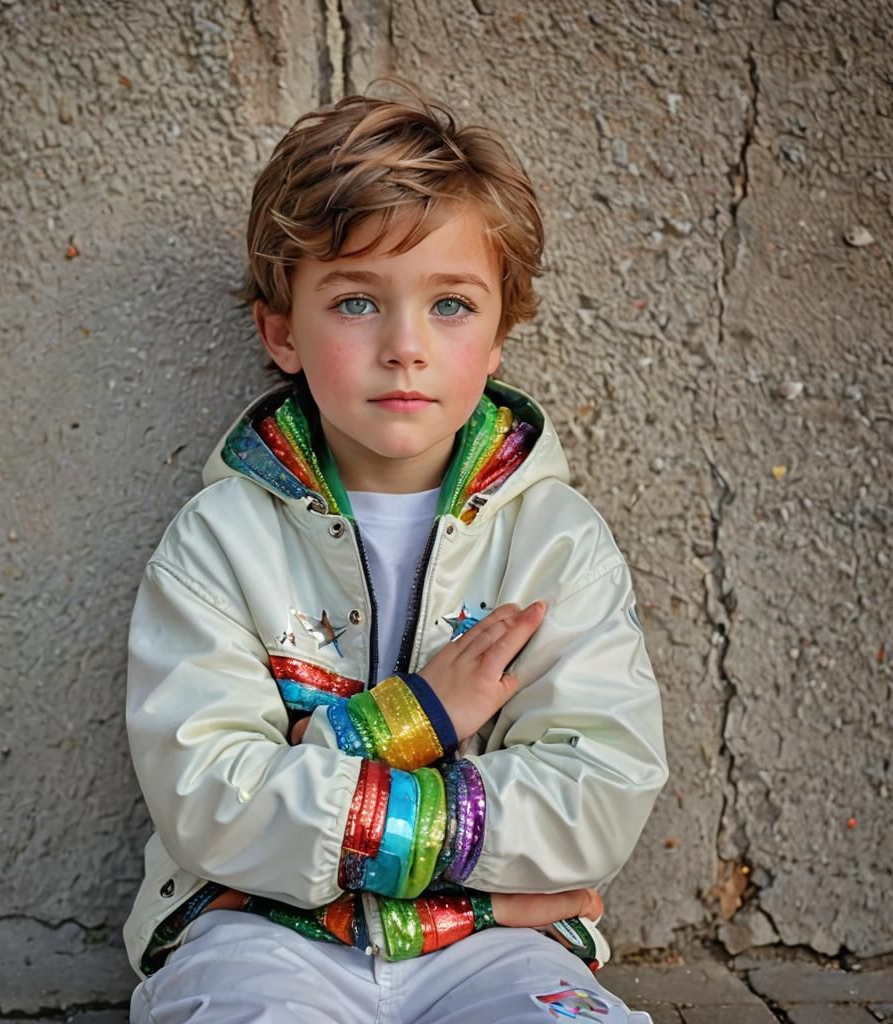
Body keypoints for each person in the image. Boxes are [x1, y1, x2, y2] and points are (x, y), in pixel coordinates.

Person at [124, 82, 668, 1023]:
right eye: (356, 303)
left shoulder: (556, 542)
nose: (406, 346)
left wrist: (325, 750)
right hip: (261, 936)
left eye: (451, 304)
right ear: (281, 330)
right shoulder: (220, 540)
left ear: (500, 331)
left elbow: (600, 792)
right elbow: (210, 799)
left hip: (494, 945)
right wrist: (410, 719)